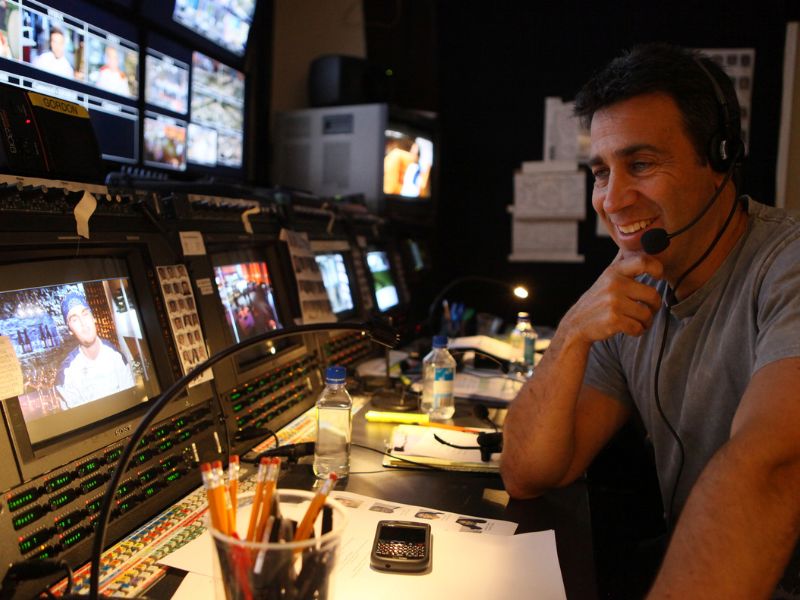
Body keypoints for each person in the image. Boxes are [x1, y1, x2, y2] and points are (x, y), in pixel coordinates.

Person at [501, 43, 800, 598]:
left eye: (640, 165)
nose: (613, 200)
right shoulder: (635, 287)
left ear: (720, 159)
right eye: (601, 173)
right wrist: (571, 332)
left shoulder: (788, 266)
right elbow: (530, 471)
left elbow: (773, 468)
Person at [55, 292, 135, 409]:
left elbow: (132, 401)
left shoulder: (116, 357)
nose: (83, 323)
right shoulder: (66, 374)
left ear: (93, 318)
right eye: (75, 319)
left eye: (85, 314)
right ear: (70, 330)